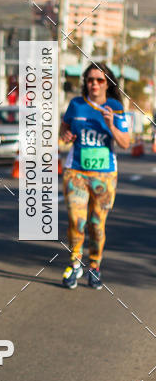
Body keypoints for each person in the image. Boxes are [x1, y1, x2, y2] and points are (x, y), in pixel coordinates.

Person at [59, 62, 130, 290]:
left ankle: (95, 267)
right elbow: (64, 129)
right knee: (76, 221)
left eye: (100, 80)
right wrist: (66, 134)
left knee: (96, 225)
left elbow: (125, 143)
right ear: (85, 83)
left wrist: (111, 125)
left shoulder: (116, 107)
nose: (95, 84)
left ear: (107, 83)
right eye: (90, 80)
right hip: (76, 171)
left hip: (105, 175)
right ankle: (75, 263)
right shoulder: (76, 105)